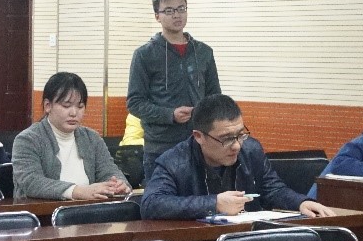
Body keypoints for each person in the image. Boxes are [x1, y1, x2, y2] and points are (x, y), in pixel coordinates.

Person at [140, 94, 335, 220]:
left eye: (240, 134)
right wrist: (214, 204)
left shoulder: (250, 150)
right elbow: (151, 204)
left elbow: (273, 189)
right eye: (226, 138)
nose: (236, 145)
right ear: (199, 137)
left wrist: (300, 202)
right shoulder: (174, 162)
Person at [127, 0, 222, 183]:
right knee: (161, 199)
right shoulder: (145, 54)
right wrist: (170, 115)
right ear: (157, 16)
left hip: (199, 143)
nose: (177, 15)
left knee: (200, 198)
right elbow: (135, 103)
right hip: (160, 147)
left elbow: (215, 98)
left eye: (181, 9)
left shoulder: (204, 52)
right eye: (169, 11)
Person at [12, 72, 131, 201]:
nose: (74, 113)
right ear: (48, 106)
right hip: (42, 211)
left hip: (89, 209)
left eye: (80, 106)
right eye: (66, 106)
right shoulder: (27, 140)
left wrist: (118, 185)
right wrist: (77, 191)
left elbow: (109, 171)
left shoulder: (92, 138)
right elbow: (31, 182)